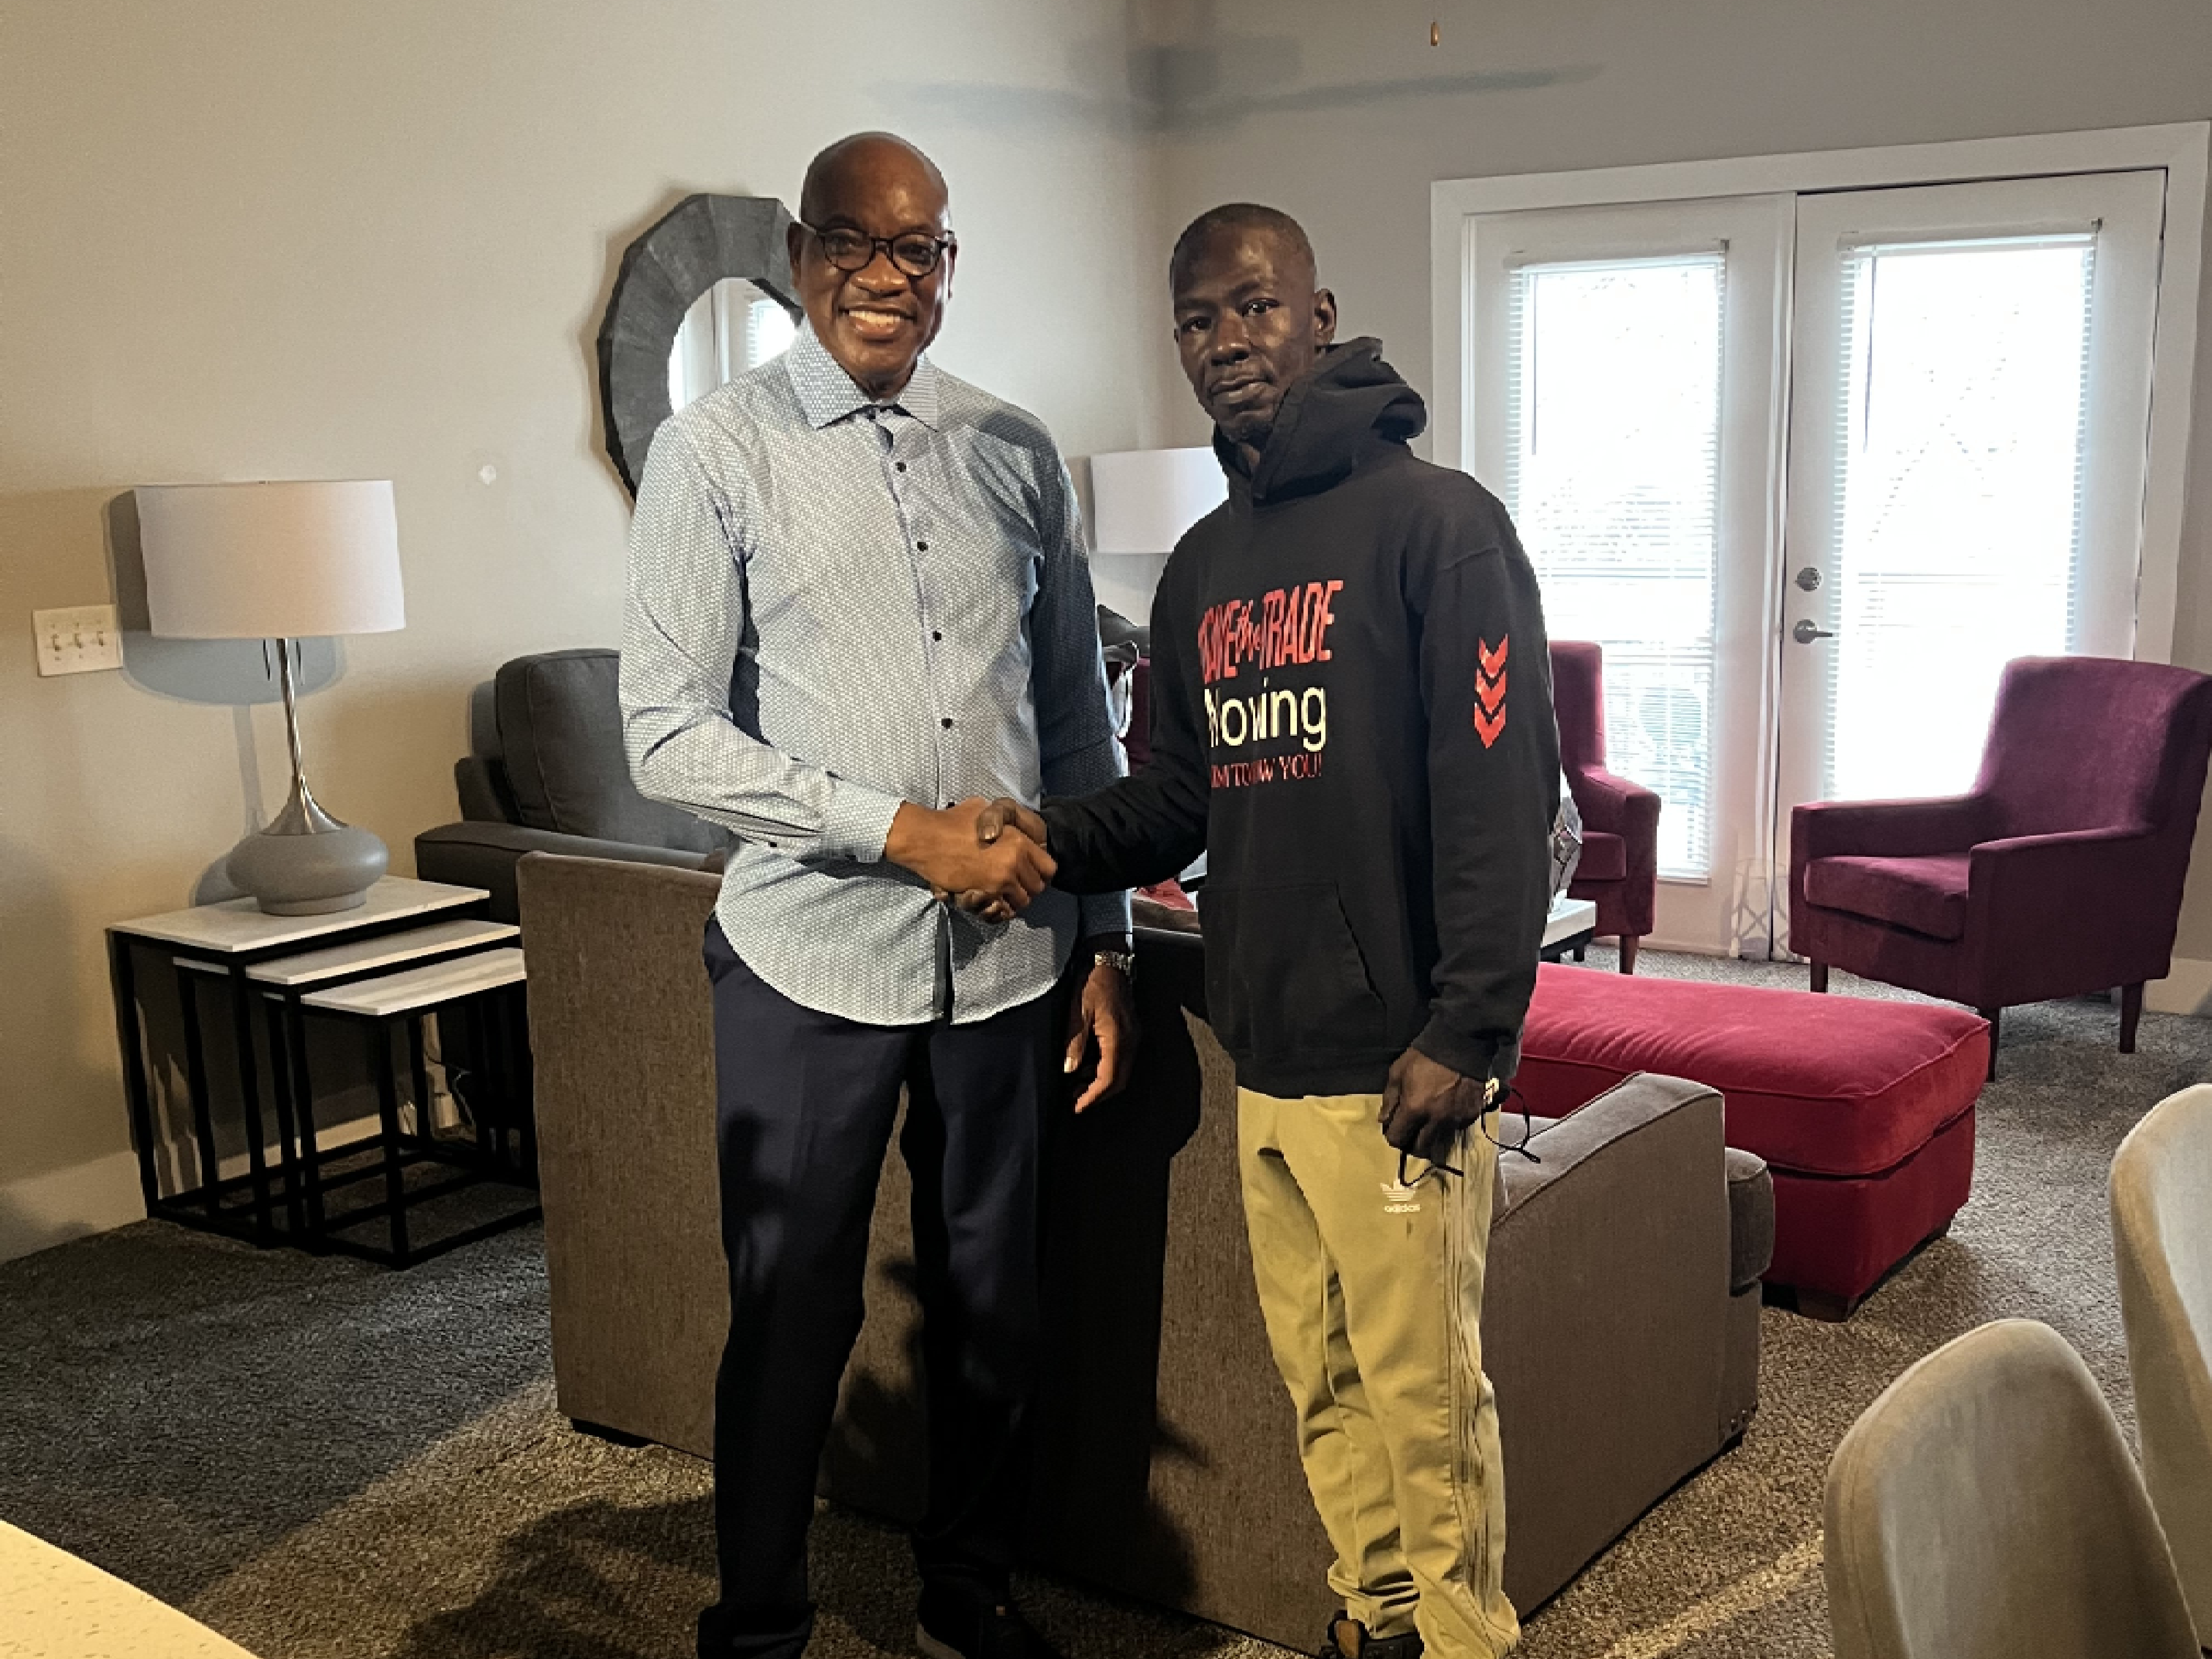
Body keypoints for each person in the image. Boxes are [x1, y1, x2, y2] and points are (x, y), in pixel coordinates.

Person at [969, 204, 1556, 1659]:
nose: (1228, 341)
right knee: (1325, 1387)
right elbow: (1177, 796)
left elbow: (1500, 802)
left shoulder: (1443, 530)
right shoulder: (1202, 568)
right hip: (1270, 1056)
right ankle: (1377, 1621)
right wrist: (1043, 836)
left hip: (1398, 1066)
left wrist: (1470, 1028)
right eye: (1199, 319)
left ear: (1319, 313)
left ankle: (1468, 1643)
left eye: (1256, 306)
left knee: (1429, 1409)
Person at [620, 131, 1137, 1659]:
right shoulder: (716, 454)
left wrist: (1104, 932)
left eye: (919, 249)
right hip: (808, 962)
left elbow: (1075, 713)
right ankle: (758, 1624)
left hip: (1010, 968)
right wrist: (901, 833)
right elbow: (663, 734)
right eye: (852, 241)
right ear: (801, 256)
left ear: (948, 268)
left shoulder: (1017, 450)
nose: (885, 277)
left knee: (994, 1307)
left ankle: (967, 1589)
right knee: (794, 1311)